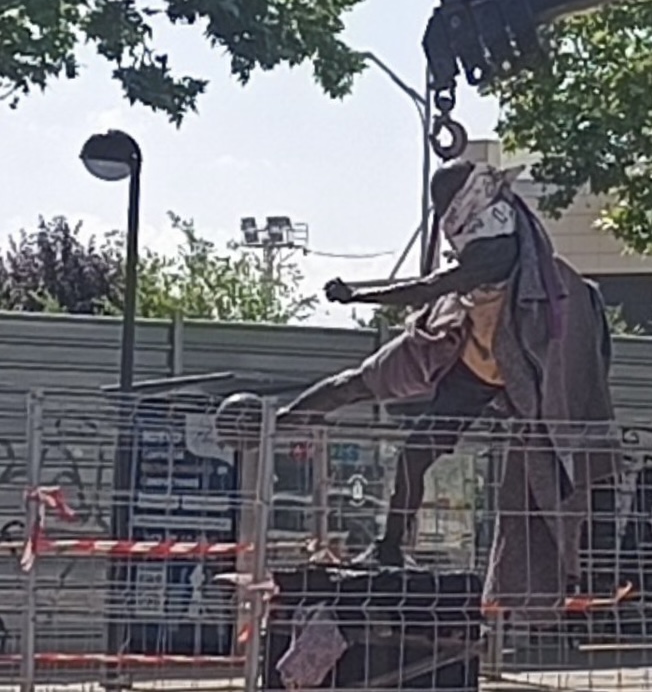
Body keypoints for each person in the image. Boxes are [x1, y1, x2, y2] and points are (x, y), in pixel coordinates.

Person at [217, 160, 618, 619]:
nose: (442, 215)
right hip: (462, 349)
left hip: (508, 363)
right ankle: (289, 435)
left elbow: (433, 286)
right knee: (379, 406)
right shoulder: (481, 228)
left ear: (465, 199)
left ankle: (595, 562)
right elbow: (444, 290)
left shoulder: (498, 242)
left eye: (444, 203)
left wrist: (357, 296)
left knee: (556, 469)